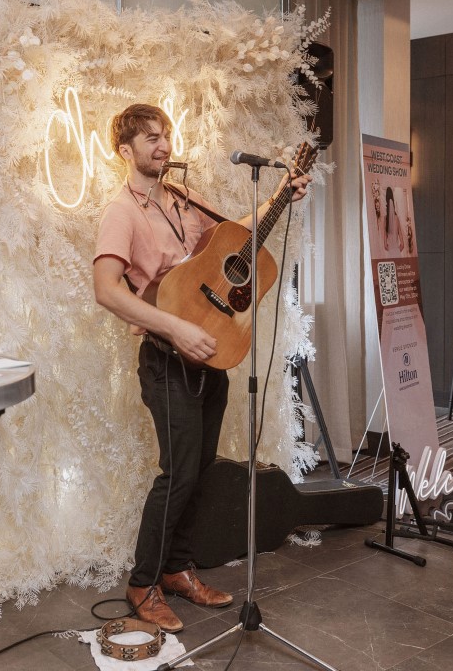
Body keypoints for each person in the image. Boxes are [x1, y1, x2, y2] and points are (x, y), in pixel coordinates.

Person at [92, 103, 309, 632]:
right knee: (178, 474)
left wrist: (281, 195)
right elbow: (105, 291)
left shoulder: (182, 197)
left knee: (201, 470)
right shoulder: (122, 211)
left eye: (165, 135)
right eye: (149, 139)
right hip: (167, 359)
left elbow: (232, 234)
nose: (163, 146)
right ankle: (142, 582)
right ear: (125, 150)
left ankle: (177, 570)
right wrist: (174, 328)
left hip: (211, 352)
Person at [382, 186, 406, 256]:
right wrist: (397, 251)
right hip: (397, 251)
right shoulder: (396, 218)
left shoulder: (385, 219)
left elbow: (385, 246)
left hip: (390, 252)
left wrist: (391, 250)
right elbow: (402, 245)